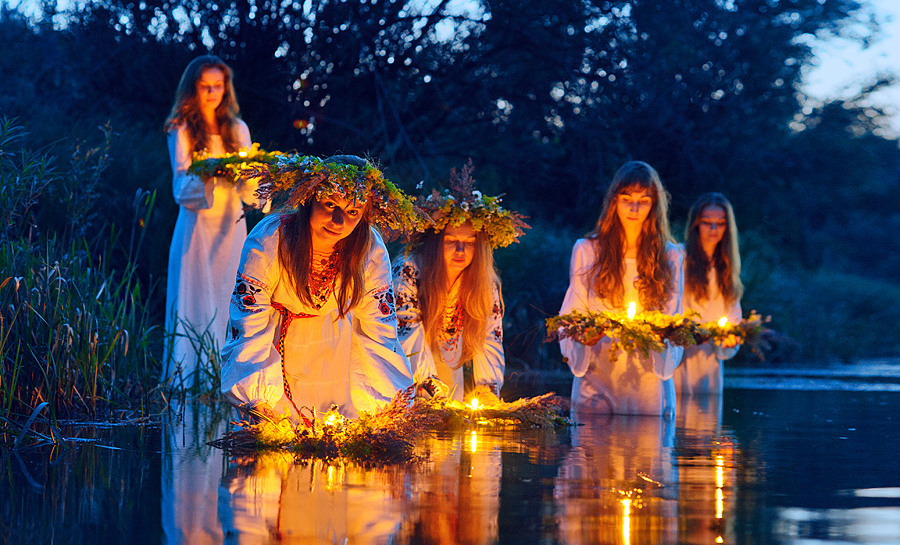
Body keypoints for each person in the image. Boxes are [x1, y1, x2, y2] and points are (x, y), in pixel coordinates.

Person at [220, 155, 418, 421]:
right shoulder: (271, 239)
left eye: (352, 212)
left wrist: (388, 402)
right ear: (309, 200)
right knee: (275, 440)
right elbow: (249, 321)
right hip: (275, 354)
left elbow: (379, 332)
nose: (338, 221)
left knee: (333, 437)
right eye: (329, 204)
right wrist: (256, 395)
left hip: (335, 355)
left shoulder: (368, 249)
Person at [557, 161, 684, 418]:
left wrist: (663, 333)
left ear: (655, 204)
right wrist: (582, 336)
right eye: (626, 198)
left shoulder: (670, 256)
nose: (634, 208)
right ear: (614, 200)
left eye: (643, 200)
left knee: (648, 453)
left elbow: (675, 318)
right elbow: (572, 313)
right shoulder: (587, 251)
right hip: (597, 382)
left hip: (648, 386)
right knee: (591, 452)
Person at [392, 162, 528, 402]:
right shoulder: (410, 270)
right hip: (405, 367)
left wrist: (488, 386)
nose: (460, 250)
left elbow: (490, 337)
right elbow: (406, 327)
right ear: (436, 241)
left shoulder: (484, 282)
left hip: (448, 371)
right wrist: (426, 381)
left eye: (470, 242)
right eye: (451, 240)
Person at [164, 55, 258, 384]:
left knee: (228, 295)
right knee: (194, 297)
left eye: (218, 86)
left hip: (232, 227)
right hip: (197, 228)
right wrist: (210, 175)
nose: (212, 93)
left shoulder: (238, 129)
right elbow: (180, 186)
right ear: (193, 88)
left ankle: (228, 380)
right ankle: (189, 381)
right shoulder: (181, 128)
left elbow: (253, 188)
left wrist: (250, 175)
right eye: (205, 87)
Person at [674, 193, 743, 396]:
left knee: (706, 419)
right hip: (681, 353)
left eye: (720, 223)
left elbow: (733, 310)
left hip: (709, 360)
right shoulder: (680, 256)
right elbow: (669, 302)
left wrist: (730, 334)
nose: (713, 230)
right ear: (696, 224)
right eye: (707, 223)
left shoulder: (728, 266)